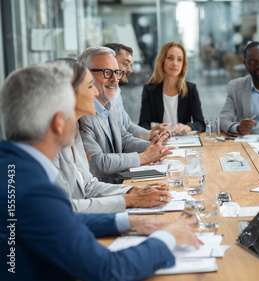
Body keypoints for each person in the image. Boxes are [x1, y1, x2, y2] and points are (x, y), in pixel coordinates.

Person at [0, 61, 200, 281]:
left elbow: (60, 218)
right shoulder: (31, 190)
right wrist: (168, 237)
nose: (95, 92)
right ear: (59, 123)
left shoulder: (13, 169)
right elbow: (108, 270)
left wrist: (129, 222)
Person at [53, 58, 172, 213]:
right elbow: (63, 209)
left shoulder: (73, 128)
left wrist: (133, 191)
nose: (95, 91)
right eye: (90, 86)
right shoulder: (48, 141)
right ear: (70, 92)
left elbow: (89, 186)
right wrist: (130, 199)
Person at [78, 46, 173, 183]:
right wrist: (145, 157)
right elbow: (98, 162)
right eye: (107, 72)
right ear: (86, 75)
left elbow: (123, 139)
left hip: (121, 182)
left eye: (116, 72)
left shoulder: (111, 105)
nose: (114, 79)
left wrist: (154, 148)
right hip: (103, 190)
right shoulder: (83, 114)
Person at [103, 43, 168, 140]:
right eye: (125, 64)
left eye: (130, 65)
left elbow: (127, 126)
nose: (130, 70)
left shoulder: (117, 92)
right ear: (110, 63)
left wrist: (150, 134)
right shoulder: (101, 98)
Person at [139, 42, 205, 134]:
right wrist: (153, 131)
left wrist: (188, 127)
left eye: (179, 59)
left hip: (184, 142)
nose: (175, 63)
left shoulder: (191, 89)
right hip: (159, 141)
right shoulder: (149, 90)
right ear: (162, 61)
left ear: (183, 64)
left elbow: (200, 123)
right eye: (170, 58)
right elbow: (143, 123)